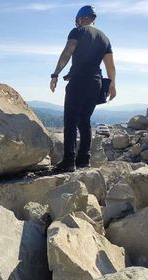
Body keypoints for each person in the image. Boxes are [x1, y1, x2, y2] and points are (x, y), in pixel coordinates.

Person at [50, 5, 116, 172]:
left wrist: (55, 73)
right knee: (84, 120)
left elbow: (68, 51)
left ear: (82, 18)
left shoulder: (77, 32)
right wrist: (113, 84)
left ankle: (69, 161)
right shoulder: (105, 38)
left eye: (78, 20)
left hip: (79, 80)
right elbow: (110, 66)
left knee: (70, 120)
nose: (78, 23)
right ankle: (84, 160)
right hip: (96, 83)